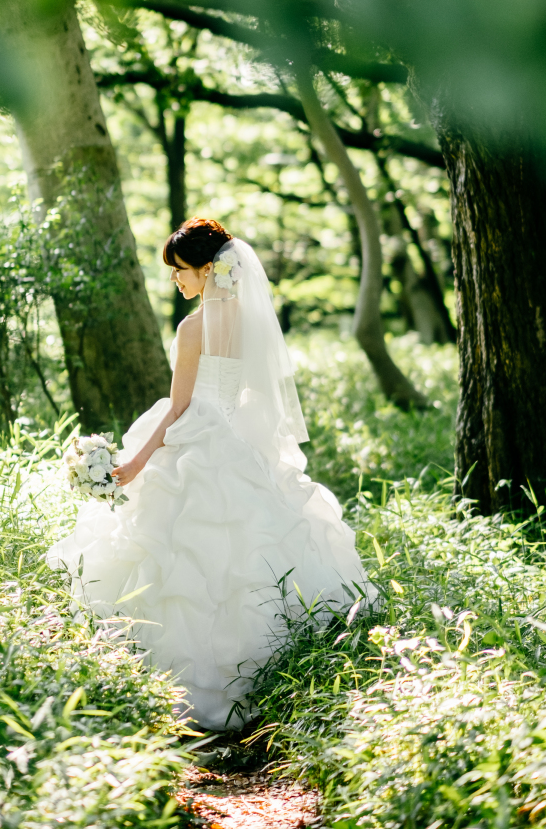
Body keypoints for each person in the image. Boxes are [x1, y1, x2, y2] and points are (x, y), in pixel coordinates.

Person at [47, 217, 372, 729]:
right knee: (253, 552)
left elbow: (178, 409)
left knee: (173, 556)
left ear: (207, 270)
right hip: (239, 439)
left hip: (196, 438)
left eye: (180, 270)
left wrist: (137, 461)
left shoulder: (192, 328)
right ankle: (272, 680)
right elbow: (255, 391)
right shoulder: (252, 320)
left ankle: (168, 683)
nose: (175, 279)